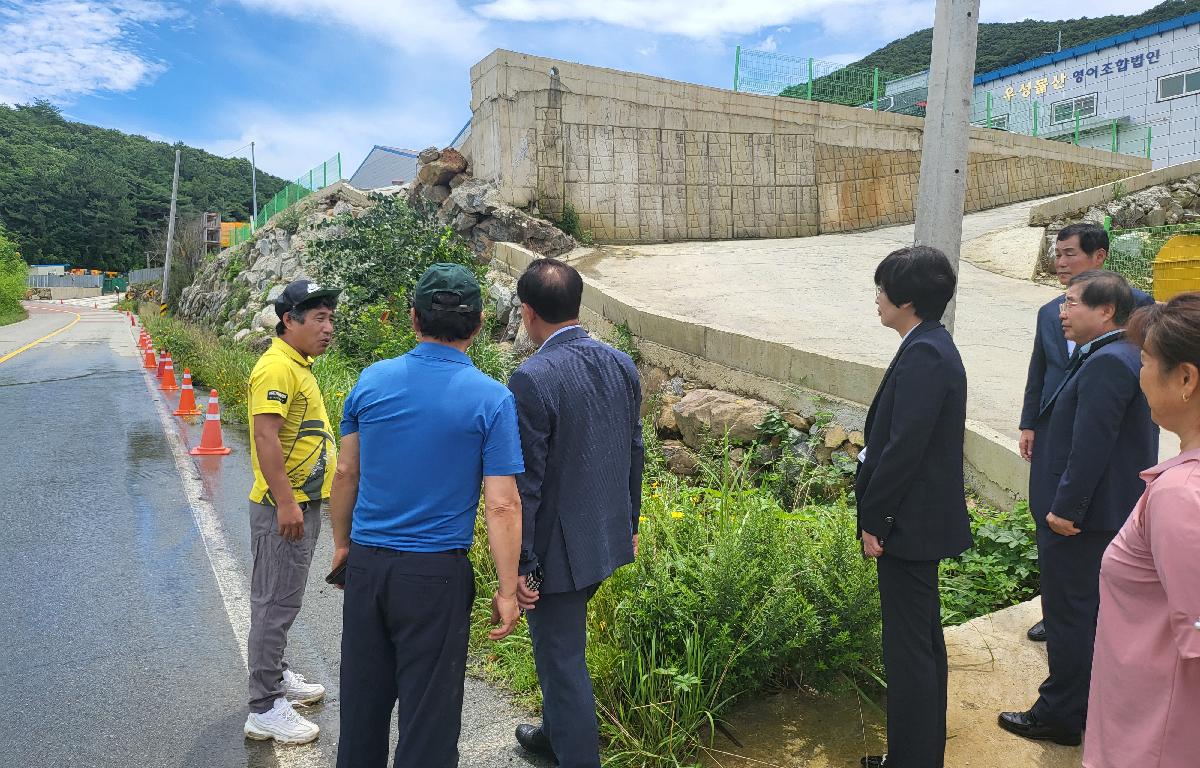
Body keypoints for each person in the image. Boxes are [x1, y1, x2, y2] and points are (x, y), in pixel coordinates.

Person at [329, 263, 523, 768]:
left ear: (412, 318)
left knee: (363, 705)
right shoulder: (492, 399)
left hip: (369, 564)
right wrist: (507, 590)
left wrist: (344, 545)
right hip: (436, 575)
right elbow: (502, 503)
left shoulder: (372, 381)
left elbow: (346, 471)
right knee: (429, 718)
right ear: (479, 324)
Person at [999, 270, 1159, 746]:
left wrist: (1066, 508)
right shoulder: (1122, 353)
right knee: (1088, 614)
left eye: (1071, 303)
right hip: (1104, 511)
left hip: (1081, 519)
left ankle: (1061, 714)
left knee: (1070, 615)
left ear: (1106, 310)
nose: (1061, 312)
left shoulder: (1110, 361)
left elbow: (1092, 444)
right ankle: (1087, 704)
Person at [507, 258, 644, 768]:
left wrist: (522, 563)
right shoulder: (620, 362)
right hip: (606, 535)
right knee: (562, 650)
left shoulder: (532, 377)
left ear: (527, 312)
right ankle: (555, 728)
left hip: (557, 554)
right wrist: (630, 525)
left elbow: (528, 486)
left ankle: (576, 753)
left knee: (563, 661)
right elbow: (634, 450)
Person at [855, 246, 973, 768]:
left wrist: (875, 521)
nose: (876, 298)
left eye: (881, 288)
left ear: (905, 299)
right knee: (921, 645)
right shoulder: (927, 343)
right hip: (916, 522)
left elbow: (905, 448)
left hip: (907, 525)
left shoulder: (926, 352)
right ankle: (915, 755)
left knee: (910, 653)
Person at [1019, 222, 1154, 643]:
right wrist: (1030, 421)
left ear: (1099, 257)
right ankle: (1057, 612)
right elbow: (1039, 369)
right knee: (1060, 562)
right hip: (1056, 437)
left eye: (1070, 254)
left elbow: (1101, 435)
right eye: (1057, 255)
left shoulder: (1138, 315)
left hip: (1093, 461)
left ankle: (1073, 640)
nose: (1060, 263)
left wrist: (1069, 505)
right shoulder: (1052, 311)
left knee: (1081, 568)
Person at [1083, 294, 1200, 768]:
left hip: (1157, 736)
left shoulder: (1182, 497)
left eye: (1147, 361)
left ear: (1186, 378)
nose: (1140, 374)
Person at [243, 279, 341, 745]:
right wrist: (285, 500)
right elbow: (265, 437)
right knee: (273, 604)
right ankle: (263, 706)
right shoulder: (277, 368)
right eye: (318, 318)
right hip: (284, 505)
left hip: (302, 500)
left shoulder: (297, 364)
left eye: (330, 318)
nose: (328, 328)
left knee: (285, 599)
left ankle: (276, 675)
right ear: (289, 321)